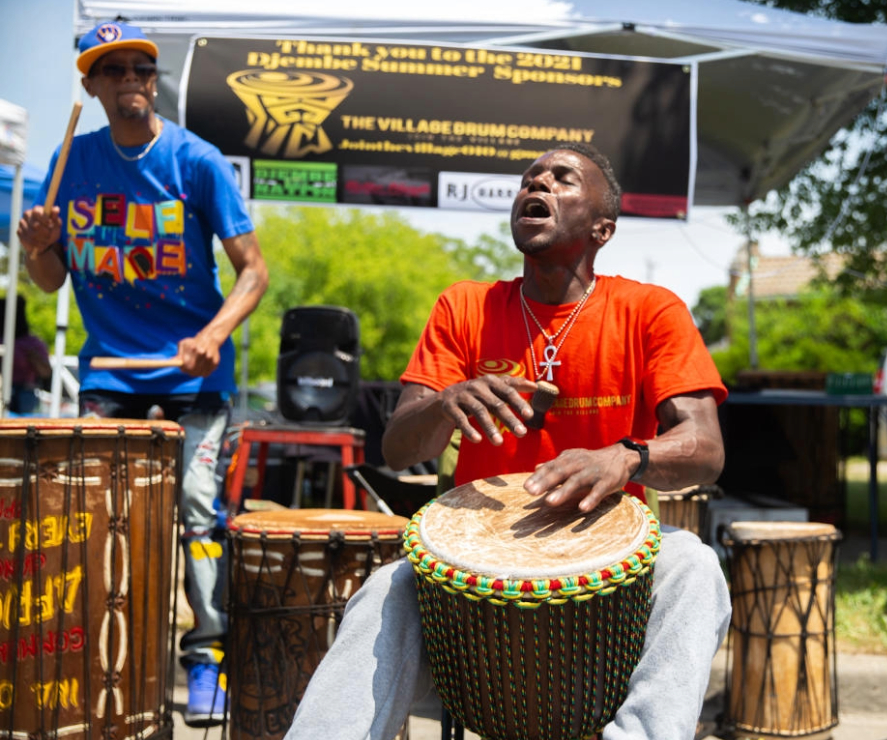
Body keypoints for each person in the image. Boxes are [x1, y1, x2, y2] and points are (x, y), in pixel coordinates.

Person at [286, 143, 730, 740]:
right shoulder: (465, 306)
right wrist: (446, 403)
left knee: (696, 568)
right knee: (382, 592)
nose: (537, 185)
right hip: (474, 565)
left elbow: (704, 446)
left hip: (607, 560)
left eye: (561, 179)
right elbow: (397, 449)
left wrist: (626, 457)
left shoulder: (649, 310)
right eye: (529, 179)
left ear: (603, 228)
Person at [16, 20, 269, 726]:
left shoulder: (197, 161)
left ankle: (206, 658)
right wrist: (40, 247)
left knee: (195, 514)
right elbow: (48, 279)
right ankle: (104, 656)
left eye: (141, 67)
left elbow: (254, 271)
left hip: (192, 384)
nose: (130, 78)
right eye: (114, 69)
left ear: (153, 80)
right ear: (91, 84)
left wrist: (212, 335)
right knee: (95, 520)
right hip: (110, 379)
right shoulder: (65, 167)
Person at [0, 294, 52, 414]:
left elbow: (46, 372)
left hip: (25, 392)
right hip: (3, 389)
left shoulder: (32, 343)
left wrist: (33, 358)